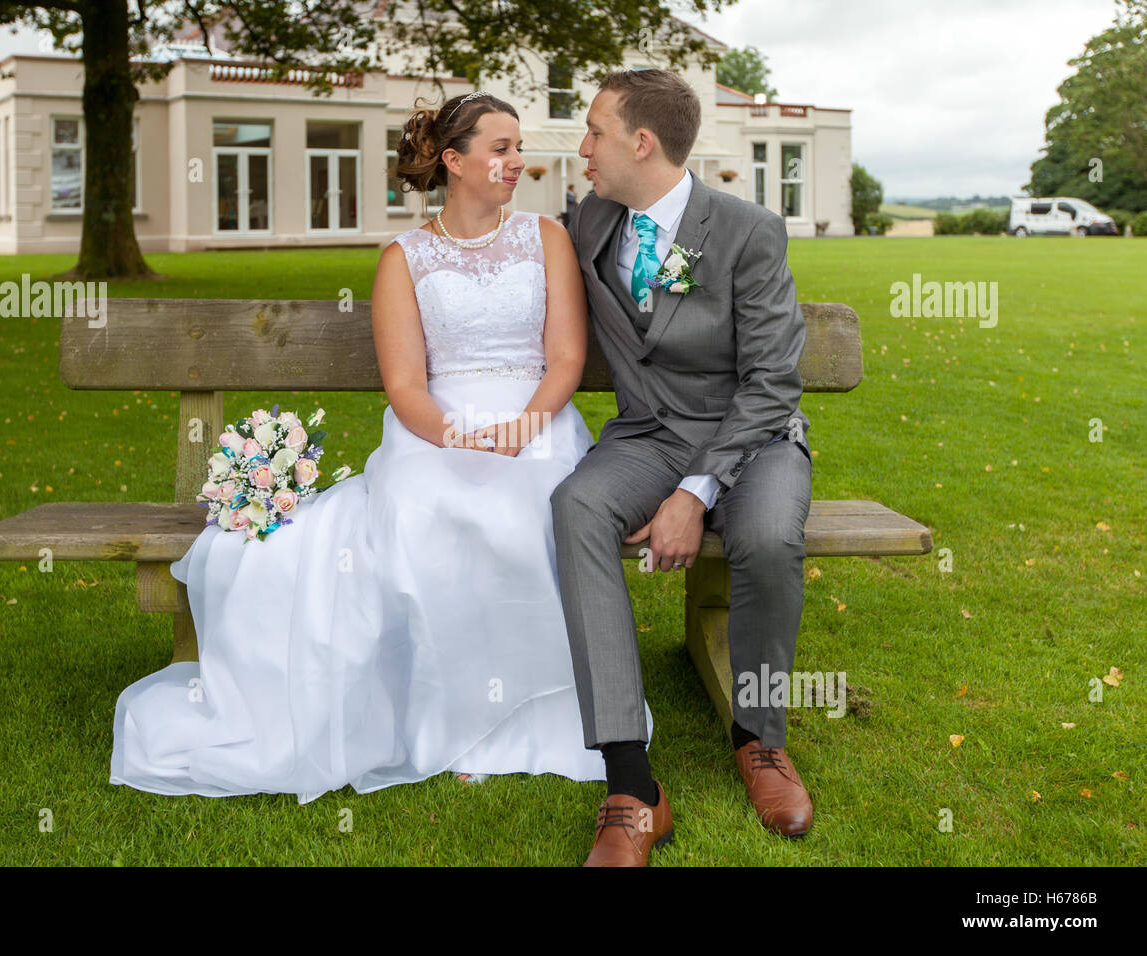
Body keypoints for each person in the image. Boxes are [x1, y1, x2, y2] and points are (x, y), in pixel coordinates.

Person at [109, 90, 652, 806]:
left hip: (537, 420)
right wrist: (457, 437)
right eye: (501, 148)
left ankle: (534, 718)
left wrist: (524, 426)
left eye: (518, 147)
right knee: (429, 512)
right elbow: (405, 384)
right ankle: (449, 720)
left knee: (530, 511)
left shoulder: (547, 238)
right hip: (437, 429)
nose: (517, 161)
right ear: (454, 161)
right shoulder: (404, 258)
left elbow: (564, 358)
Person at [553, 68, 815, 866]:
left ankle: (757, 738)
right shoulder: (588, 222)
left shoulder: (746, 229)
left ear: (642, 141)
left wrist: (695, 493)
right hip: (648, 434)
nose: (583, 146)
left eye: (595, 130)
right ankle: (632, 783)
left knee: (768, 539)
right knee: (575, 508)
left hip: (755, 437)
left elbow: (772, 383)